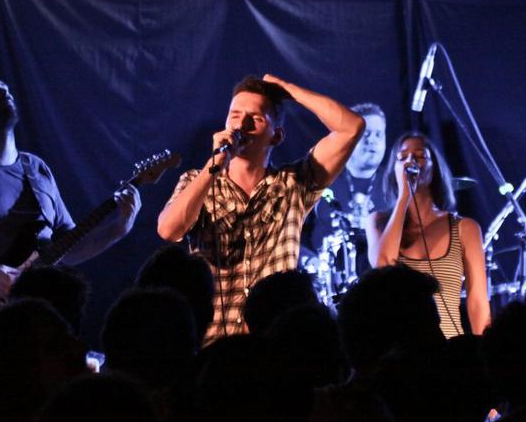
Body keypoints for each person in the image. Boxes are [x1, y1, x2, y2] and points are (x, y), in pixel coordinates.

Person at [0, 75, 140, 376]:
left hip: (41, 331)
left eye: (4, 86)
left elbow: (66, 250)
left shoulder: (37, 170)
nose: (3, 89)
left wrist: (118, 229)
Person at [157, 74, 365, 344]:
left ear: (276, 135)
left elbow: (351, 128)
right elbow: (169, 230)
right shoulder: (197, 180)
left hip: (275, 342)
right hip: (214, 344)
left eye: (255, 118)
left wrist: (288, 90)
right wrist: (214, 166)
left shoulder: (294, 183)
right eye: (234, 115)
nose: (241, 125)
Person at [366, 132, 490, 336]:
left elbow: (478, 301)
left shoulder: (465, 228)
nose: (410, 161)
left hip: (449, 345)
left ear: (435, 168)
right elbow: (383, 264)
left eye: (420, 155)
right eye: (402, 157)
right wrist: (404, 197)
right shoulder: (377, 221)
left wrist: (483, 349)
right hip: (400, 348)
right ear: (394, 170)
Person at [304, 103, 387, 278]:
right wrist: (311, 261)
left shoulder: (396, 183)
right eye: (366, 134)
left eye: (379, 134)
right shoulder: (319, 179)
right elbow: (290, 232)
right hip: (327, 280)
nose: (372, 141)